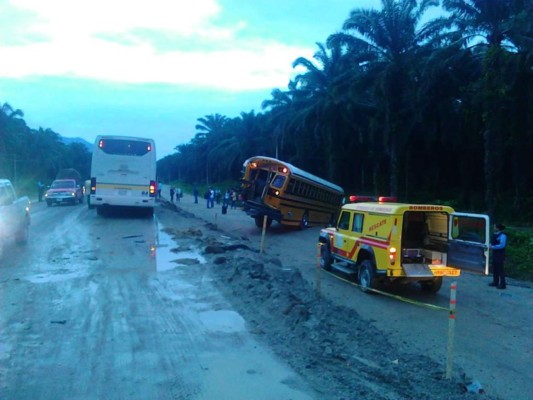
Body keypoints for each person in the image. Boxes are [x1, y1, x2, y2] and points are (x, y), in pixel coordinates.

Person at [489, 223, 507, 289]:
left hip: (500, 254)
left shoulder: (503, 235)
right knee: (495, 268)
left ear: (498, 228)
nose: (494, 228)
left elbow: (502, 245)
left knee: (500, 269)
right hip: (495, 253)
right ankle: (495, 282)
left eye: (495, 227)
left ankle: (503, 284)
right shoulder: (494, 234)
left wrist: (493, 247)